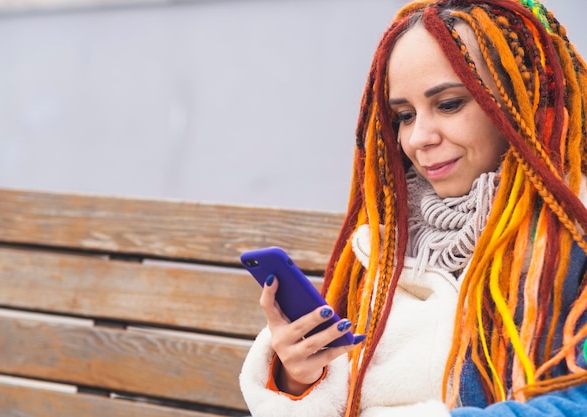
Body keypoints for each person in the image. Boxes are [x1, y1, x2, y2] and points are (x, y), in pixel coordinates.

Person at [239, 0, 587, 416]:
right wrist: (298, 378)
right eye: (404, 114)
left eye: (449, 103)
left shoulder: (572, 232)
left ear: (521, 102)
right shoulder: (383, 240)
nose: (418, 137)